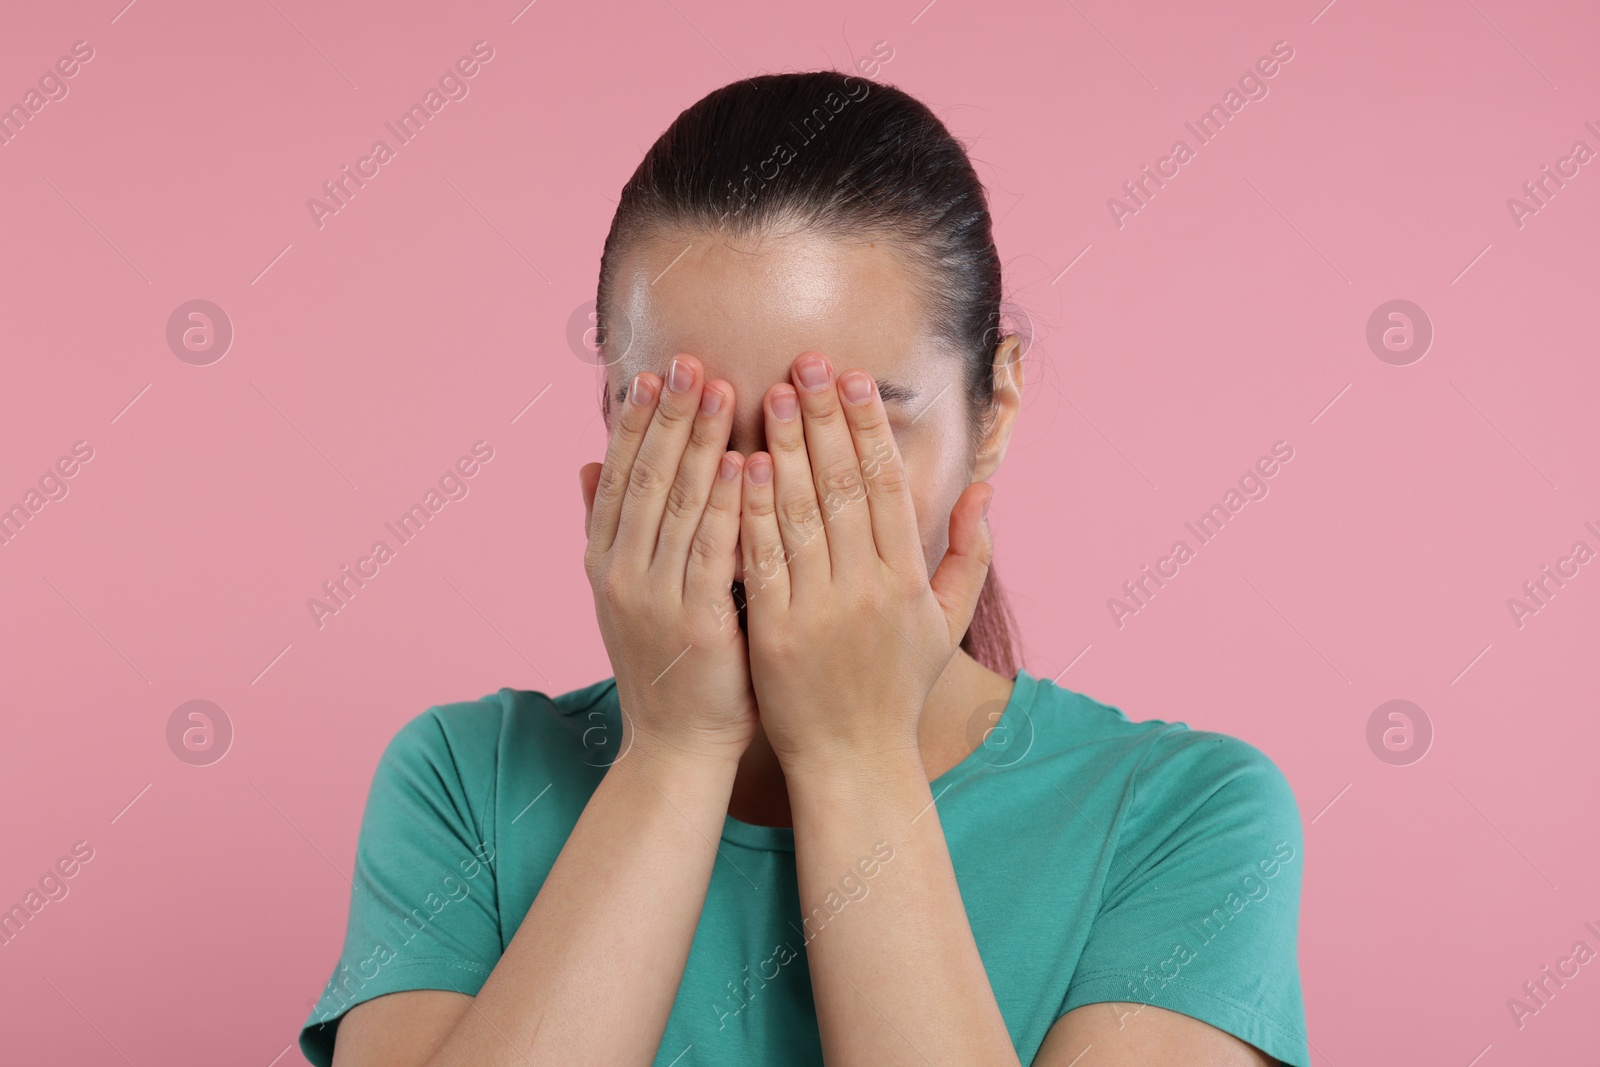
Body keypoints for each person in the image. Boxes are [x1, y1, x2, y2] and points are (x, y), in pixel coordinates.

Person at [298, 70, 1310, 1067]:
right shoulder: (467, 781)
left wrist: (853, 754)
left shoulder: (1186, 816)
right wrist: (674, 749)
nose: (762, 507)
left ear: (991, 414)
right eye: (683, 430)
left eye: (841, 436)